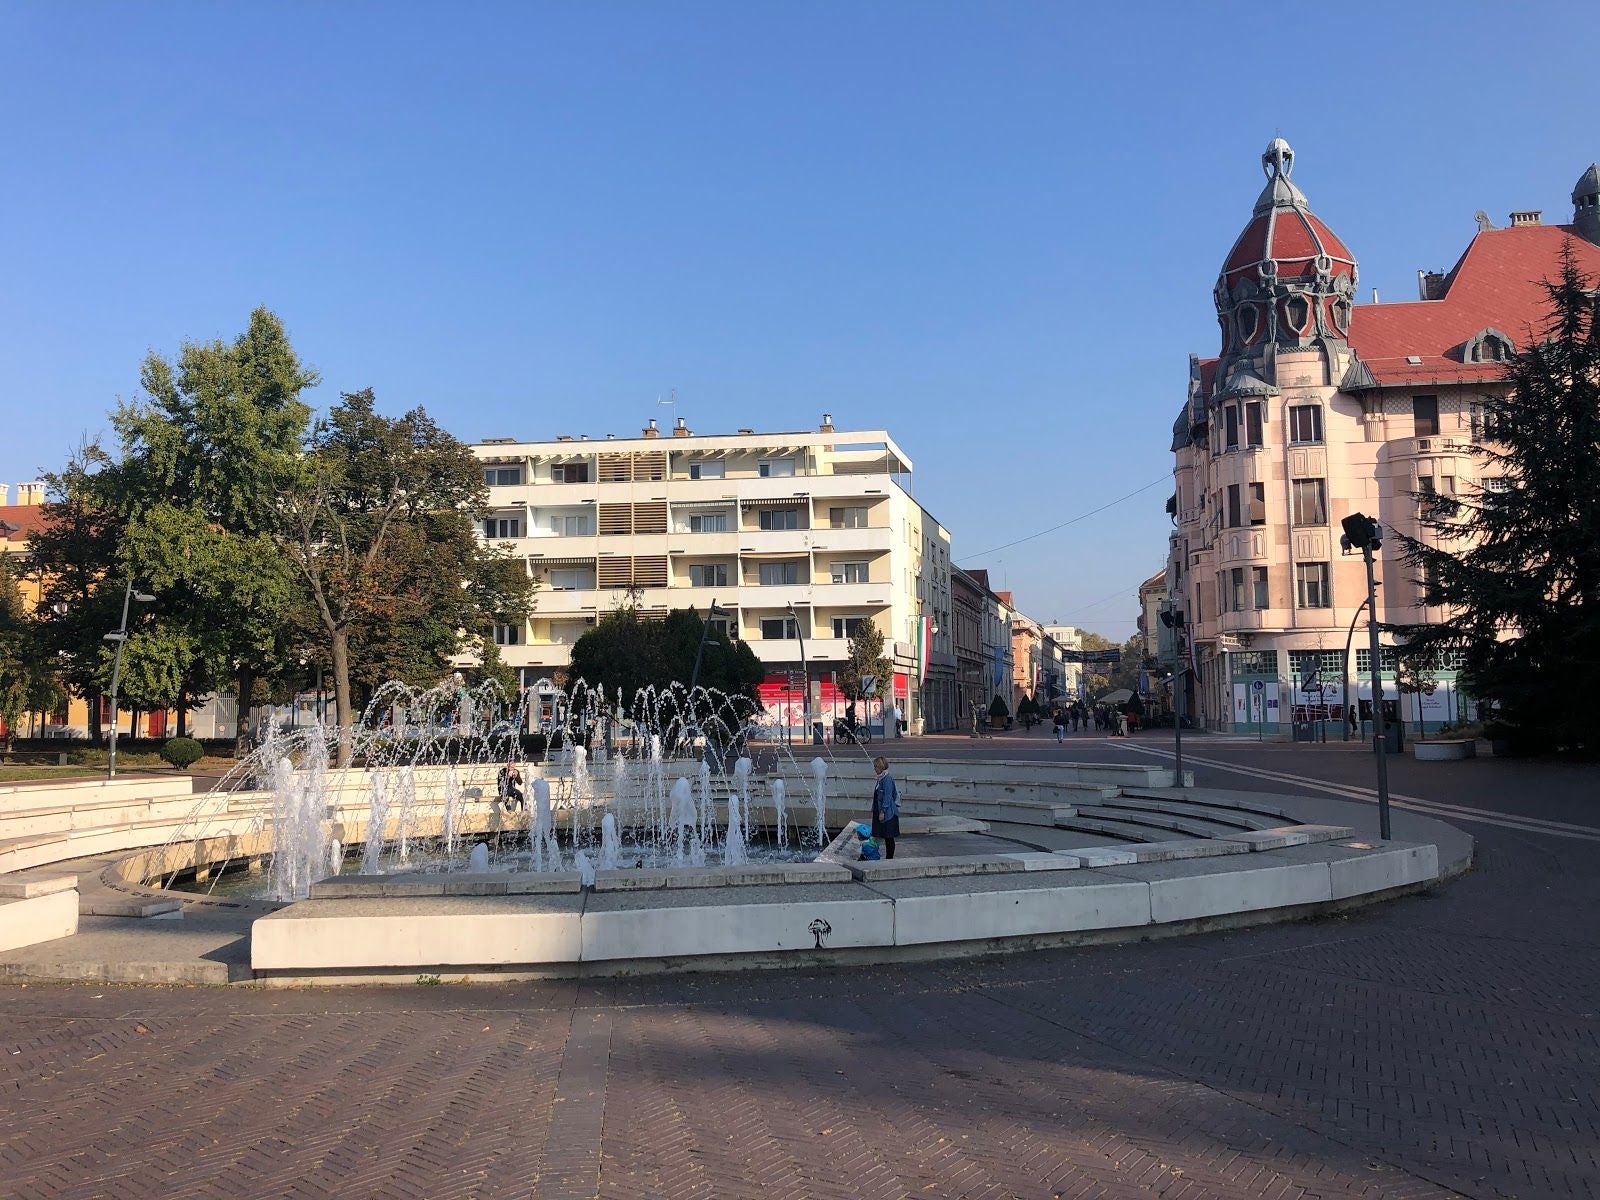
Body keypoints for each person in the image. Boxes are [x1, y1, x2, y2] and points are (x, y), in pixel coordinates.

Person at [871, 755, 899, 860]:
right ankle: (875, 855)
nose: (874, 769)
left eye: (876, 767)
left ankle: (889, 858)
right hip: (880, 810)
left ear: (881, 767)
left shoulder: (887, 779)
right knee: (882, 835)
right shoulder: (880, 778)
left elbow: (888, 796)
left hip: (888, 813)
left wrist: (883, 811)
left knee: (889, 836)